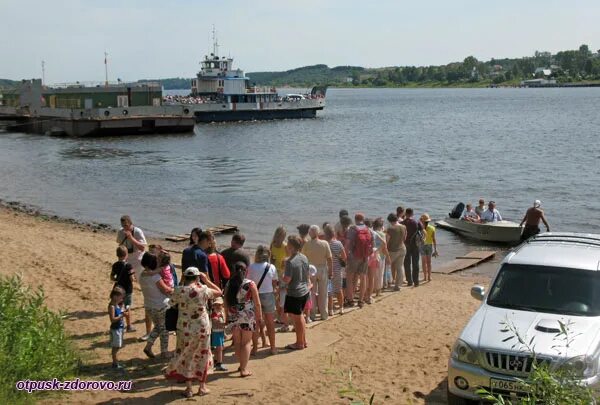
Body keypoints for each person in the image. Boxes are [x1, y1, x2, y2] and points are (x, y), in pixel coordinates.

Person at [165, 267, 222, 398]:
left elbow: (170, 303)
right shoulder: (203, 289)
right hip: (202, 326)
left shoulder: (179, 290)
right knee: (203, 354)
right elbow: (219, 292)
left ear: (184, 277)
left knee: (186, 355)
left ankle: (189, 388)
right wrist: (206, 280)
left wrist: (182, 283)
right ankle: (202, 387)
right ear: (197, 277)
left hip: (184, 328)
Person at [225, 262, 262, 377]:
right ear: (246, 271)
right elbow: (257, 303)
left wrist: (227, 316)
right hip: (247, 315)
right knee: (246, 342)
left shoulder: (229, 283)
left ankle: (241, 365)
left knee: (237, 342)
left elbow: (226, 301)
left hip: (234, 314)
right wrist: (259, 317)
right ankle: (243, 368)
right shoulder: (250, 284)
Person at [117, 215, 149, 337]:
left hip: (138, 260)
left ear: (131, 224)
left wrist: (131, 237)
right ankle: (127, 305)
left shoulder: (137, 231)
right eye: (123, 225)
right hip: (127, 261)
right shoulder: (121, 232)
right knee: (126, 284)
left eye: (126, 225)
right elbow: (120, 246)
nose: (124, 227)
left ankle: (145, 301)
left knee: (142, 282)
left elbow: (142, 247)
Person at [139, 252, 173, 359]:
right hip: (160, 306)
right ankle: (164, 351)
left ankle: (148, 346)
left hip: (149, 306)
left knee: (158, 327)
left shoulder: (142, 275)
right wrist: (175, 290)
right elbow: (166, 290)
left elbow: (152, 273)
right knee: (164, 329)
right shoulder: (156, 277)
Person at [247, 245, 278, 355]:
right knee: (270, 323)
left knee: (255, 322)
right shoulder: (272, 267)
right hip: (268, 295)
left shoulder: (251, 267)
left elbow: (249, 283)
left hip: (255, 296)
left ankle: (255, 348)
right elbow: (274, 283)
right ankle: (273, 347)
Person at [282, 235, 310, 350]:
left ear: (291, 246)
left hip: (295, 293)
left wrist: (282, 278)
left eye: (288, 244)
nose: (287, 245)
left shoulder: (290, 261)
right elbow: (307, 273)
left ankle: (299, 343)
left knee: (297, 320)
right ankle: (303, 341)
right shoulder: (304, 257)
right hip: (304, 291)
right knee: (301, 317)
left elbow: (287, 279)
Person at [302, 225, 333, 321]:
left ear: (310, 233)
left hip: (311, 269)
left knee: (312, 293)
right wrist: (330, 271)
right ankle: (324, 314)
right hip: (322, 268)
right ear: (318, 233)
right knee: (324, 292)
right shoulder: (325, 243)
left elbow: (303, 259)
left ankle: (313, 314)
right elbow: (329, 259)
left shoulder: (307, 245)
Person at [345, 213, 373, 308]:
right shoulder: (368, 229)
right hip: (365, 257)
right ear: (363, 219)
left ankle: (350, 299)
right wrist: (368, 255)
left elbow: (348, 243)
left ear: (355, 219)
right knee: (363, 277)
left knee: (349, 277)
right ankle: (361, 300)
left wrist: (345, 255)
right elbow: (372, 244)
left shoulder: (353, 229)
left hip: (354, 256)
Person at [110, 246, 136, 332]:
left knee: (119, 306)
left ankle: (119, 322)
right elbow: (132, 279)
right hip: (127, 289)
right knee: (127, 307)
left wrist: (117, 279)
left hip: (118, 289)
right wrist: (134, 279)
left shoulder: (115, 265)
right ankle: (129, 325)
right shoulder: (129, 265)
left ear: (117, 255)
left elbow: (112, 277)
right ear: (126, 255)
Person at [323, 224, 346, 315]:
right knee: (339, 289)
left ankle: (330, 310)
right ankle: (341, 308)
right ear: (333, 233)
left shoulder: (324, 244)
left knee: (329, 291)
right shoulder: (338, 243)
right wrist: (338, 258)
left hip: (328, 270)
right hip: (337, 270)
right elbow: (344, 257)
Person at [270, 226, 289, 329]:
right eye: (280, 236)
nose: (281, 238)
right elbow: (270, 259)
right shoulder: (272, 245)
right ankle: (279, 315)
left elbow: (289, 258)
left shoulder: (285, 246)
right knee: (275, 295)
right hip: (274, 272)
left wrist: (284, 264)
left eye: (283, 236)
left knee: (282, 295)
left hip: (282, 273)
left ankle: (282, 317)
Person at [108, 286, 128, 369]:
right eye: (121, 297)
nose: (122, 299)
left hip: (120, 328)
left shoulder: (116, 305)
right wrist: (121, 315)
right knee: (116, 346)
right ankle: (115, 363)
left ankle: (115, 362)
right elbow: (112, 319)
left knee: (118, 345)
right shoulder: (112, 306)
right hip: (115, 329)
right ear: (115, 296)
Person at [402, 208, 423, 287]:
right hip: (415, 245)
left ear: (406, 213)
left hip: (406, 245)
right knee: (415, 263)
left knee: (407, 263)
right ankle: (416, 281)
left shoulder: (402, 222)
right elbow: (422, 230)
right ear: (412, 213)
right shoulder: (417, 222)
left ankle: (409, 281)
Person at [386, 213, 407, 291]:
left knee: (386, 266)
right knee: (400, 267)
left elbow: (386, 241)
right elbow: (405, 238)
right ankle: (398, 285)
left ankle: (386, 283)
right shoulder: (404, 227)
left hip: (393, 250)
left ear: (390, 221)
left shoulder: (390, 229)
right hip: (402, 248)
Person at [372, 218, 390, 297]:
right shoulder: (382, 234)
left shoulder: (371, 233)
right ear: (381, 226)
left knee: (373, 274)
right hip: (381, 256)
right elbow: (384, 247)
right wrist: (388, 257)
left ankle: (372, 290)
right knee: (380, 274)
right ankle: (378, 292)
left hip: (372, 256)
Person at [419, 214, 438, 282]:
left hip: (422, 245)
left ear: (422, 221)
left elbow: (418, 238)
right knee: (429, 262)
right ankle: (429, 277)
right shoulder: (432, 228)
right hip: (430, 245)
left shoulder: (420, 228)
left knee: (423, 262)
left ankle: (425, 277)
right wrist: (435, 249)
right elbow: (434, 239)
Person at [210, 297, 227, 372]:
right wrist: (223, 323)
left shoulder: (221, 312)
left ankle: (217, 361)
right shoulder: (214, 313)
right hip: (216, 332)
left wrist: (225, 332)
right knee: (219, 348)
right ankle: (219, 363)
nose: (218, 306)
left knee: (220, 348)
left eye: (219, 305)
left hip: (220, 332)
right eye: (216, 305)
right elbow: (215, 320)